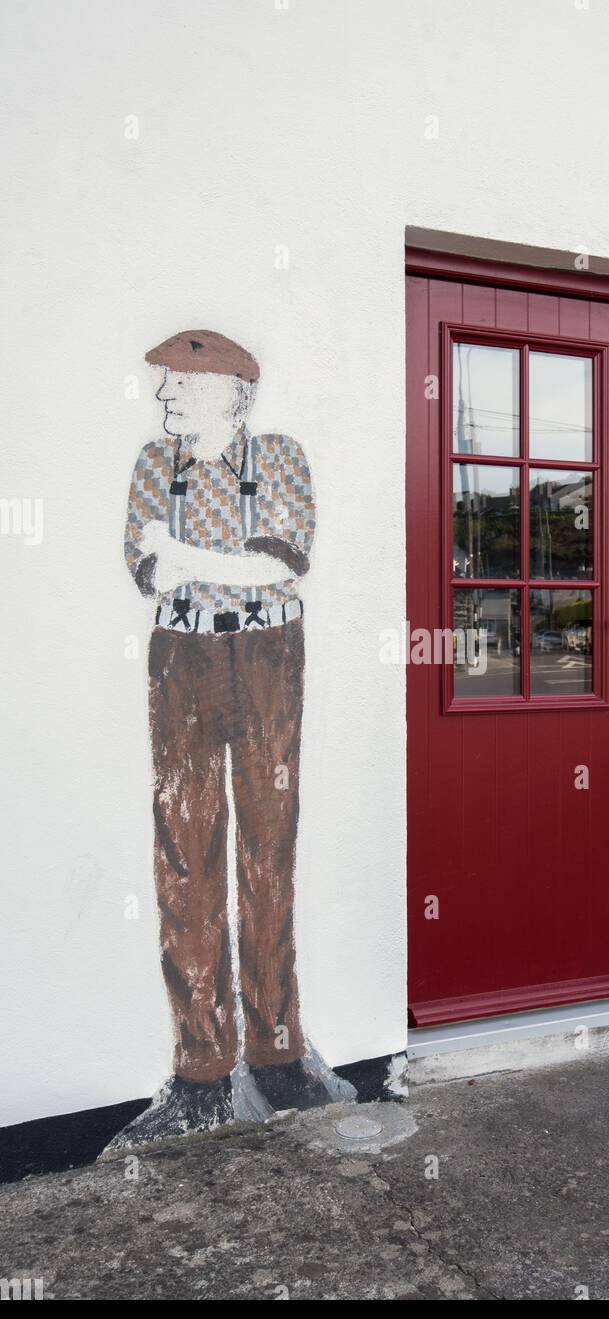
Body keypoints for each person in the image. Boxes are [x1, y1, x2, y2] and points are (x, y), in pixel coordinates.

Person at [108, 329, 350, 1149]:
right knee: (185, 849)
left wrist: (182, 552)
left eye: (181, 385)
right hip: (182, 658)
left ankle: (277, 1055)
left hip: (267, 657)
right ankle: (200, 1071)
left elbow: (280, 566)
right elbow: (154, 574)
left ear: (231, 393)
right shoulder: (153, 463)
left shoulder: (279, 455)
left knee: (267, 848)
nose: (165, 398)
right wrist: (212, 561)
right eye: (165, 384)